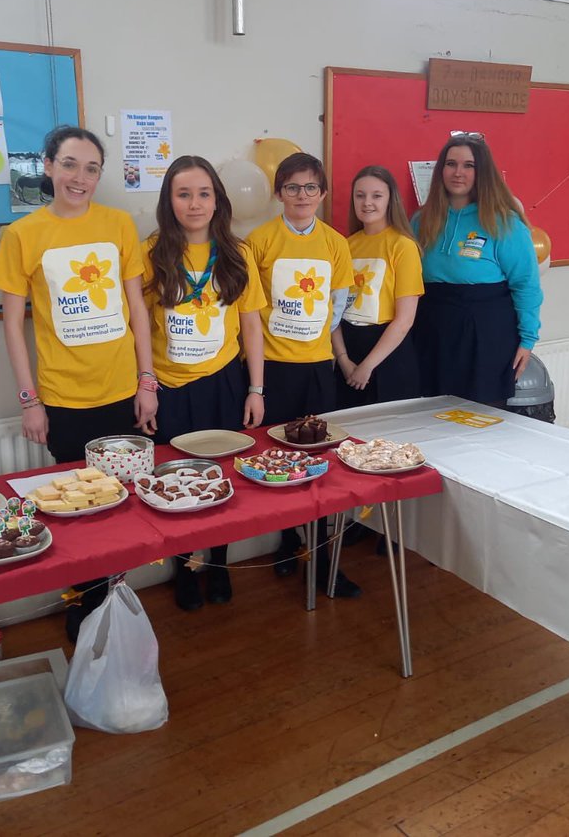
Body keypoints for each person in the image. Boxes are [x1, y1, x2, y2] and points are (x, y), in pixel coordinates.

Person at [0, 125, 158, 642]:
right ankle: (84, 608)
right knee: (79, 512)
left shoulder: (118, 225)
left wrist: (146, 381)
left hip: (122, 393)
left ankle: (116, 603)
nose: (79, 177)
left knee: (125, 508)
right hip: (63, 401)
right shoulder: (23, 236)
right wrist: (29, 400)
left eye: (90, 168)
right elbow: (12, 324)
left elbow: (136, 310)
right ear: (47, 166)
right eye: (69, 164)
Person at [142, 155, 267, 610]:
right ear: (168, 201)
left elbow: (251, 326)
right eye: (183, 194)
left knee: (221, 477)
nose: (194, 204)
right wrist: (147, 385)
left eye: (203, 193)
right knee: (176, 482)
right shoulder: (151, 253)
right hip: (171, 390)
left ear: (217, 199)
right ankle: (184, 569)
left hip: (224, 384)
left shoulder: (238, 253)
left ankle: (218, 562)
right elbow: (139, 327)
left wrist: (256, 389)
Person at [246, 151, 359, 597]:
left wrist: (316, 336)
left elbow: (340, 301)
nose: (302, 195)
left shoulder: (335, 243)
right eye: (292, 187)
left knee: (320, 462)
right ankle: (289, 541)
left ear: (323, 193)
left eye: (311, 187)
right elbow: (250, 310)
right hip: (272, 368)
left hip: (317, 368)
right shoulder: (259, 240)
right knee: (275, 458)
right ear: (279, 193)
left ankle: (327, 555)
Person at [411, 132, 543, 409]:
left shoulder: (505, 223)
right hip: (431, 330)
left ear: (482, 172)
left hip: (487, 336)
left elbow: (526, 285)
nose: (458, 172)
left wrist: (528, 339)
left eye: (468, 165)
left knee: (481, 419)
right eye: (451, 164)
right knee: (429, 417)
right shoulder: (421, 220)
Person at [332, 165, 423, 407]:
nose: (367, 202)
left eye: (376, 195)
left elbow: (404, 320)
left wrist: (368, 366)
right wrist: (343, 360)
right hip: (348, 352)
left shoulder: (402, 246)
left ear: (390, 200)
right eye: (360, 195)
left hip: (388, 357)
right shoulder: (345, 246)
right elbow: (333, 313)